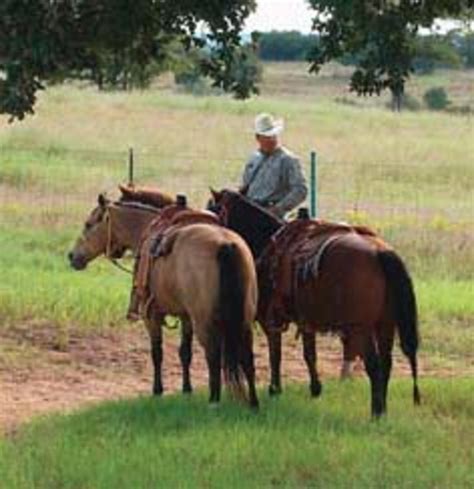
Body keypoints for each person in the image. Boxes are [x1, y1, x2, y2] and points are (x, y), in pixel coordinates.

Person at [240, 113, 308, 218]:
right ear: (258, 138)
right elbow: (245, 186)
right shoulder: (254, 158)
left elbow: (300, 190)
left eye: (273, 136)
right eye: (267, 137)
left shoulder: (288, 160)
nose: (271, 140)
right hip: (251, 210)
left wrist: (278, 208)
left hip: (273, 214)